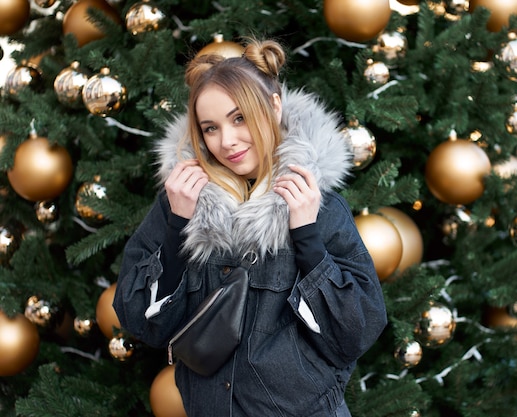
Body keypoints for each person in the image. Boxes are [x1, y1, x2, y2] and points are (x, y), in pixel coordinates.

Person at [113, 36, 387, 417]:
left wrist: (307, 237)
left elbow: (357, 331)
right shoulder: (180, 201)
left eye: (239, 117)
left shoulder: (316, 204)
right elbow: (141, 321)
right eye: (210, 128)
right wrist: (178, 227)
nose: (227, 142)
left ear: (274, 106)